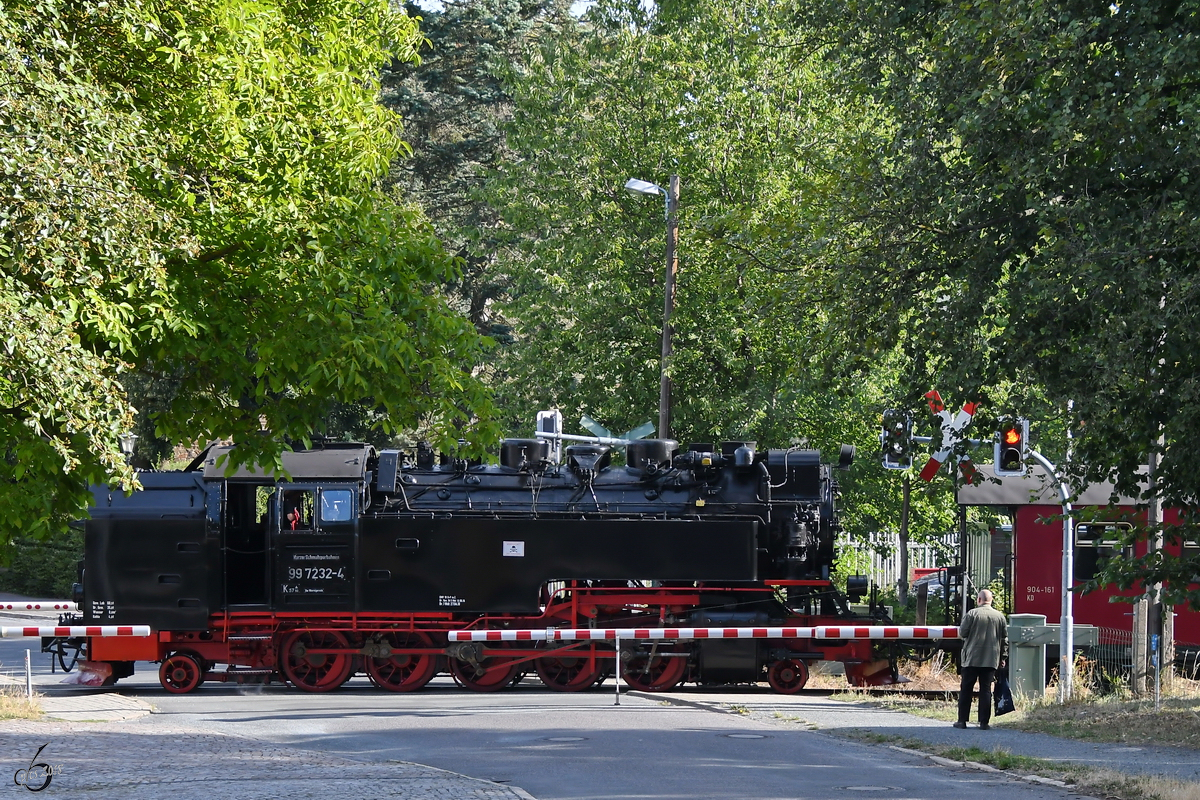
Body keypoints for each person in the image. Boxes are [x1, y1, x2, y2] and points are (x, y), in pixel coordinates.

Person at [955, 588, 1008, 730]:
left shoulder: (972, 614)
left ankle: (962, 721)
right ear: (991, 600)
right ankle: (984, 722)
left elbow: (963, 632)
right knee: (986, 690)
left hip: (971, 658)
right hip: (991, 659)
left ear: (979, 600)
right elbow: (1004, 639)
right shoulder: (999, 617)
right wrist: (1003, 657)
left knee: (966, 689)